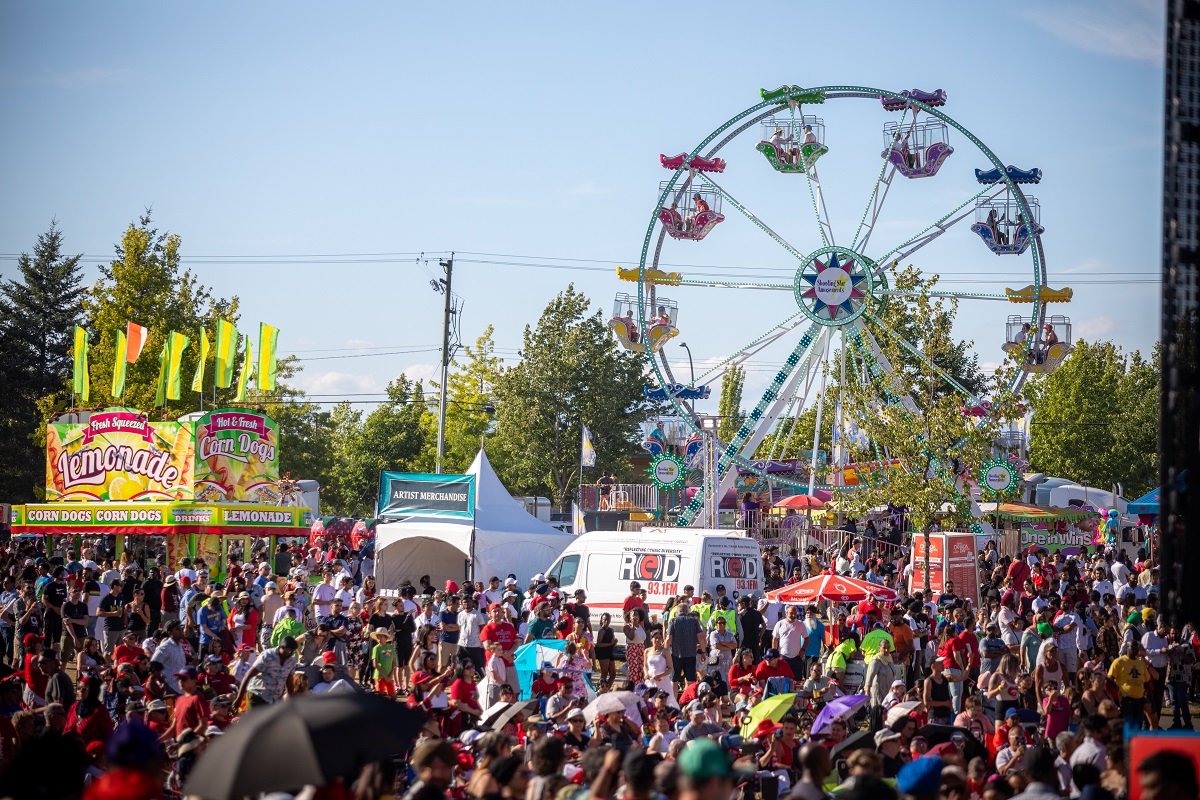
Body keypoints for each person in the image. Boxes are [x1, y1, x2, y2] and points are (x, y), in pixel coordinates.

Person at [234, 636, 299, 707]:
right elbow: (248, 675)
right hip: (257, 696)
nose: (291, 653)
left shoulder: (291, 661)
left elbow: (289, 681)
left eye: (293, 651)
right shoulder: (267, 656)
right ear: (282, 647)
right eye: (289, 651)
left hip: (274, 700)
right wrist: (239, 698)